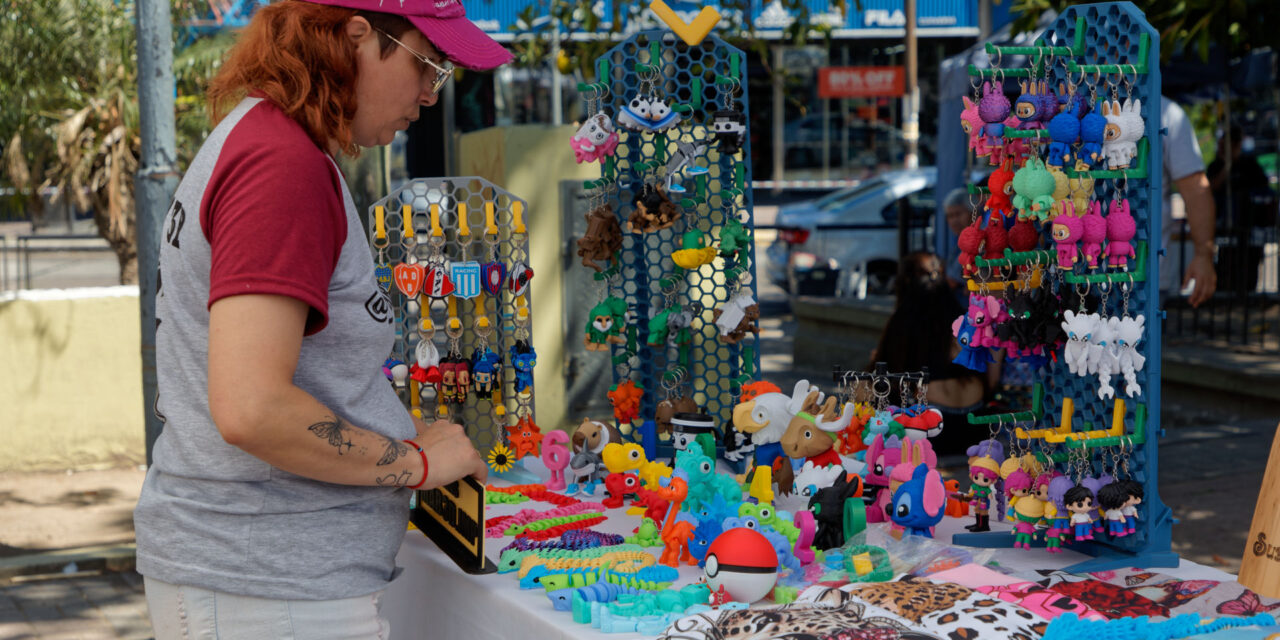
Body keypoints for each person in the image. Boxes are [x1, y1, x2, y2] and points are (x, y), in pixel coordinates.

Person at [133, 1, 510, 637]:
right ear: (356, 36)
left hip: (260, 576)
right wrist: (413, 463)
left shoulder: (266, 141)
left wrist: (396, 428)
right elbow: (252, 408)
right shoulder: (282, 166)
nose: (428, 93)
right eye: (428, 62)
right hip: (269, 585)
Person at [867, 251, 999, 455]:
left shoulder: (903, 321)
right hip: (975, 423)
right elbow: (991, 378)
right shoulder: (964, 320)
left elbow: (885, 382)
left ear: (906, 281)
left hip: (930, 429)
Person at [1161, 96, 1217, 307]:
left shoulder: (1166, 113)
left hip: (1144, 278)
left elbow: (1195, 189)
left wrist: (1203, 255)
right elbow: (1195, 188)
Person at [1208, 123, 1276, 292]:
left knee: (1249, 265)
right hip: (1224, 226)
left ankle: (1246, 295)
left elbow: (1263, 190)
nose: (1222, 149)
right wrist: (1227, 165)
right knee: (1226, 264)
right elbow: (1211, 187)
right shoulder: (1216, 166)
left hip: (1248, 226)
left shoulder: (1250, 165)